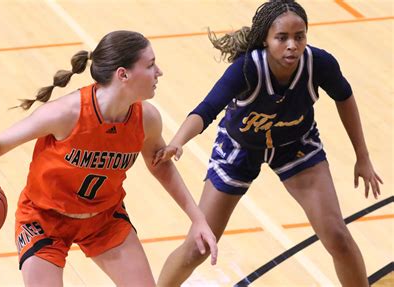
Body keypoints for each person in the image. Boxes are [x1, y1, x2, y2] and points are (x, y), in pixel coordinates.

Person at [0, 30, 217, 287]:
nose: (160, 71)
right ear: (123, 74)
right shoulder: (66, 113)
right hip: (44, 218)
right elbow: (1, 142)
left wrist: (198, 220)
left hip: (104, 219)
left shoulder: (147, 119)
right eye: (151, 64)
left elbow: (161, 166)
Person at [154, 1, 382, 286]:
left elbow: (344, 97)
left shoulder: (318, 63)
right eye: (282, 38)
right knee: (197, 247)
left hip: (295, 144)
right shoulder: (247, 69)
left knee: (338, 237)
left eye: (299, 37)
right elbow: (207, 109)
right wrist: (177, 141)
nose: (292, 46)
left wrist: (363, 156)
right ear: (265, 39)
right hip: (239, 148)